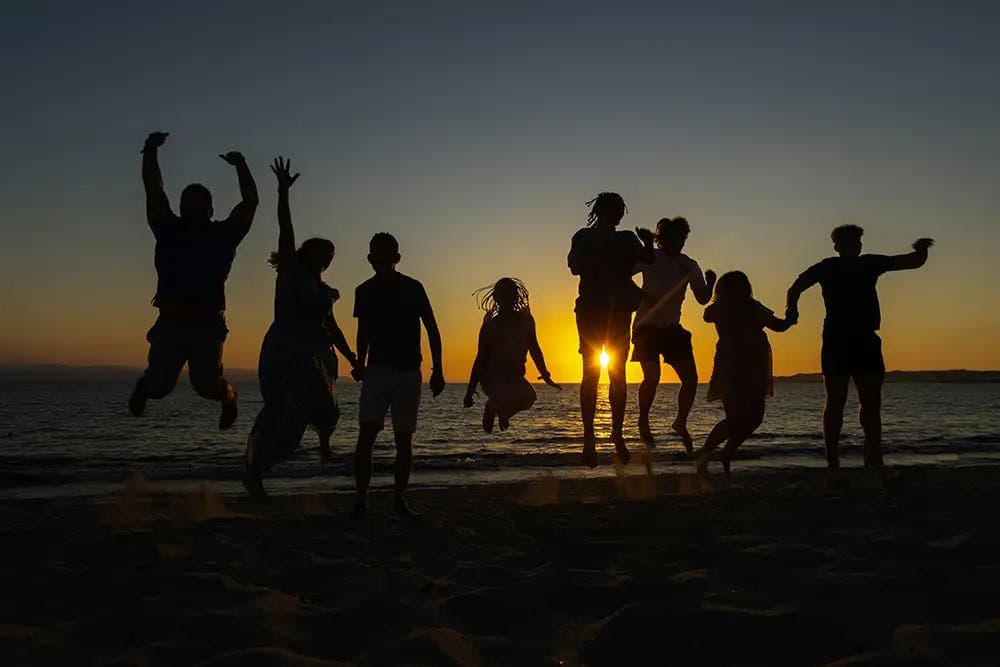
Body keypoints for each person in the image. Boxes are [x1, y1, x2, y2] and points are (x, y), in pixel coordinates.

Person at [242, 158, 360, 501]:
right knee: (287, 421)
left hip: (317, 356)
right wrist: (282, 193)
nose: (329, 257)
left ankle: (323, 444)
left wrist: (352, 357)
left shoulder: (324, 292)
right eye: (325, 251)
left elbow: (333, 328)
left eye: (332, 254)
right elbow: (285, 228)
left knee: (328, 407)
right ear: (309, 253)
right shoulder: (292, 274)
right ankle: (255, 471)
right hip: (286, 351)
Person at [786, 225, 934, 485]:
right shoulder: (826, 267)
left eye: (857, 241)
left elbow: (910, 262)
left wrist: (921, 249)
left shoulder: (870, 263)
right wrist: (792, 311)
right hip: (836, 339)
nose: (854, 245)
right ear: (837, 246)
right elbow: (795, 287)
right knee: (835, 400)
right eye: (848, 242)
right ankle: (833, 462)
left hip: (865, 339)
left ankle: (874, 460)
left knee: (871, 402)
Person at [128, 131, 257, 429]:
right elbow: (153, 187)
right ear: (181, 207)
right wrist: (150, 151)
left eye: (201, 205)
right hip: (171, 321)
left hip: (207, 325)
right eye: (188, 204)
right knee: (160, 385)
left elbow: (250, 202)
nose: (194, 210)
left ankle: (229, 398)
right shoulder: (167, 228)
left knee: (207, 386)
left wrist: (241, 165)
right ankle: (144, 388)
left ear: (211, 210)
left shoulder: (223, 236)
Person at [352, 233, 445, 518]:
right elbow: (363, 331)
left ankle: (398, 499)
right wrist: (359, 362)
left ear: (396, 258)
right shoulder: (364, 290)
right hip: (377, 370)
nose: (378, 259)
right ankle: (361, 499)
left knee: (403, 438)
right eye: (374, 254)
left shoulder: (413, 288)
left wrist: (438, 369)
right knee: (367, 435)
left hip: (407, 371)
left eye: (384, 254)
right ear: (369, 258)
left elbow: (431, 327)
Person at [568, 192, 654, 467]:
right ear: (601, 210)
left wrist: (648, 242)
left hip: (618, 312)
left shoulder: (627, 237)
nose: (619, 214)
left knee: (617, 374)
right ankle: (589, 437)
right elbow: (574, 266)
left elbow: (648, 259)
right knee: (590, 373)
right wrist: (604, 262)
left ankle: (617, 433)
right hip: (591, 310)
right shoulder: (583, 236)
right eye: (615, 209)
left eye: (621, 210)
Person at [694, 271, 793, 476]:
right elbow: (706, 315)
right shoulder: (721, 308)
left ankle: (726, 453)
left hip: (754, 367)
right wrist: (720, 298)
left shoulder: (753, 307)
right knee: (735, 418)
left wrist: (791, 316)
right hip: (731, 367)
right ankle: (705, 454)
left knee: (755, 418)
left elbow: (778, 325)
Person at [631, 217, 716, 452]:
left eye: (682, 238)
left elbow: (702, 298)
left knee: (691, 379)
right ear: (662, 238)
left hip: (672, 328)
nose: (679, 242)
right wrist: (643, 295)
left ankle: (680, 422)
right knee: (652, 376)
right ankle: (643, 420)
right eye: (674, 238)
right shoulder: (650, 257)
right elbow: (624, 274)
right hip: (646, 326)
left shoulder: (689, 264)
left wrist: (711, 283)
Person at [463, 278, 561, 432]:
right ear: (497, 298)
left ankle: (502, 412)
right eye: (503, 296)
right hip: (492, 378)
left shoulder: (526, 321)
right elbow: (480, 359)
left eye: (509, 295)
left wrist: (545, 374)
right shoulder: (490, 326)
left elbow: (534, 348)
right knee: (504, 396)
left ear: (515, 297)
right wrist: (470, 391)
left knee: (529, 397)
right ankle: (493, 407)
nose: (507, 299)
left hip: (514, 377)